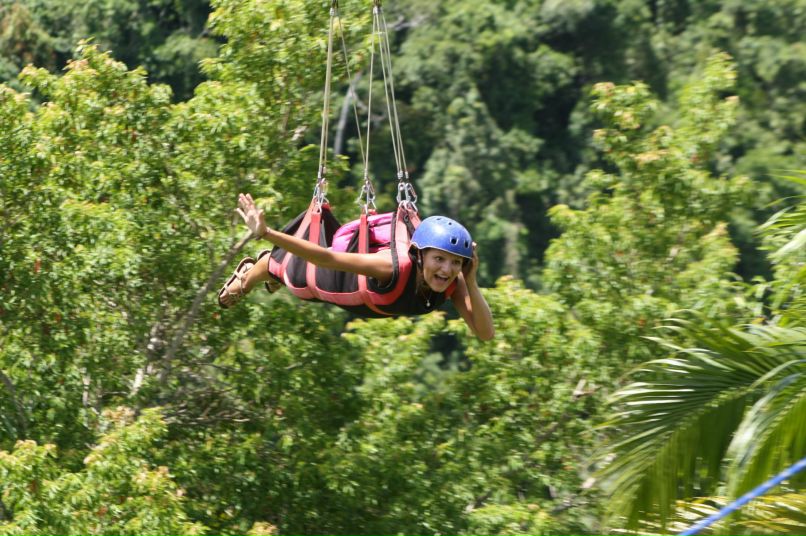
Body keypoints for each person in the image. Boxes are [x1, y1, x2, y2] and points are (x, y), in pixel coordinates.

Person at [218, 193, 495, 340]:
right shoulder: (393, 267)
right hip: (334, 279)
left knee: (294, 276)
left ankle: (272, 268)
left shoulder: (453, 281)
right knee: (291, 276)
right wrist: (266, 232)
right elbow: (326, 260)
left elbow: (485, 333)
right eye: (439, 259)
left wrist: (470, 282)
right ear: (419, 255)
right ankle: (253, 274)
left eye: (456, 262)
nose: (446, 269)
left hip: (366, 300)